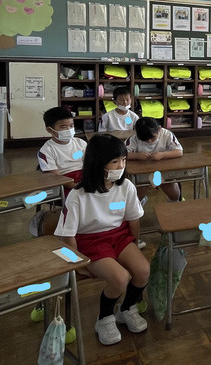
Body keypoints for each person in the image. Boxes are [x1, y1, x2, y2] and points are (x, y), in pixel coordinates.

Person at [54, 134, 149, 346]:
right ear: (98, 163)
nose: (121, 166)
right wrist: (78, 265)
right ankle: (104, 318)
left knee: (142, 270)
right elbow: (67, 235)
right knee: (120, 278)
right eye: (115, 161)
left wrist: (133, 246)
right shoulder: (77, 195)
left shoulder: (126, 187)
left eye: (123, 160)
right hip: (90, 243)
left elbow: (133, 221)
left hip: (119, 237)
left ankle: (127, 309)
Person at [126, 117, 183, 203]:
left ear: (159, 129)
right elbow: (122, 154)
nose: (149, 141)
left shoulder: (167, 134)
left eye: (152, 138)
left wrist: (162, 155)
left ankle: (172, 206)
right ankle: (139, 204)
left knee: (174, 194)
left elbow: (179, 152)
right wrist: (136, 155)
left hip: (163, 168)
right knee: (137, 197)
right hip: (142, 170)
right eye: (145, 140)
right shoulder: (134, 138)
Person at [38, 107, 87, 190]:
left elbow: (90, 163)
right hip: (65, 183)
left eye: (71, 126)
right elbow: (55, 177)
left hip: (85, 177)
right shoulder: (46, 151)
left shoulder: (81, 143)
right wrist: (77, 187)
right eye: (63, 127)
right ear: (50, 130)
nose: (69, 130)